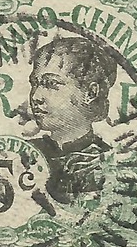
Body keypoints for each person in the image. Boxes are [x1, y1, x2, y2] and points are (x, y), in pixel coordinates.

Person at [27, 35, 116, 205]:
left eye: (51, 84)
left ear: (90, 93)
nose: (36, 96)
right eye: (34, 84)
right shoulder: (23, 154)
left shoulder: (109, 163)